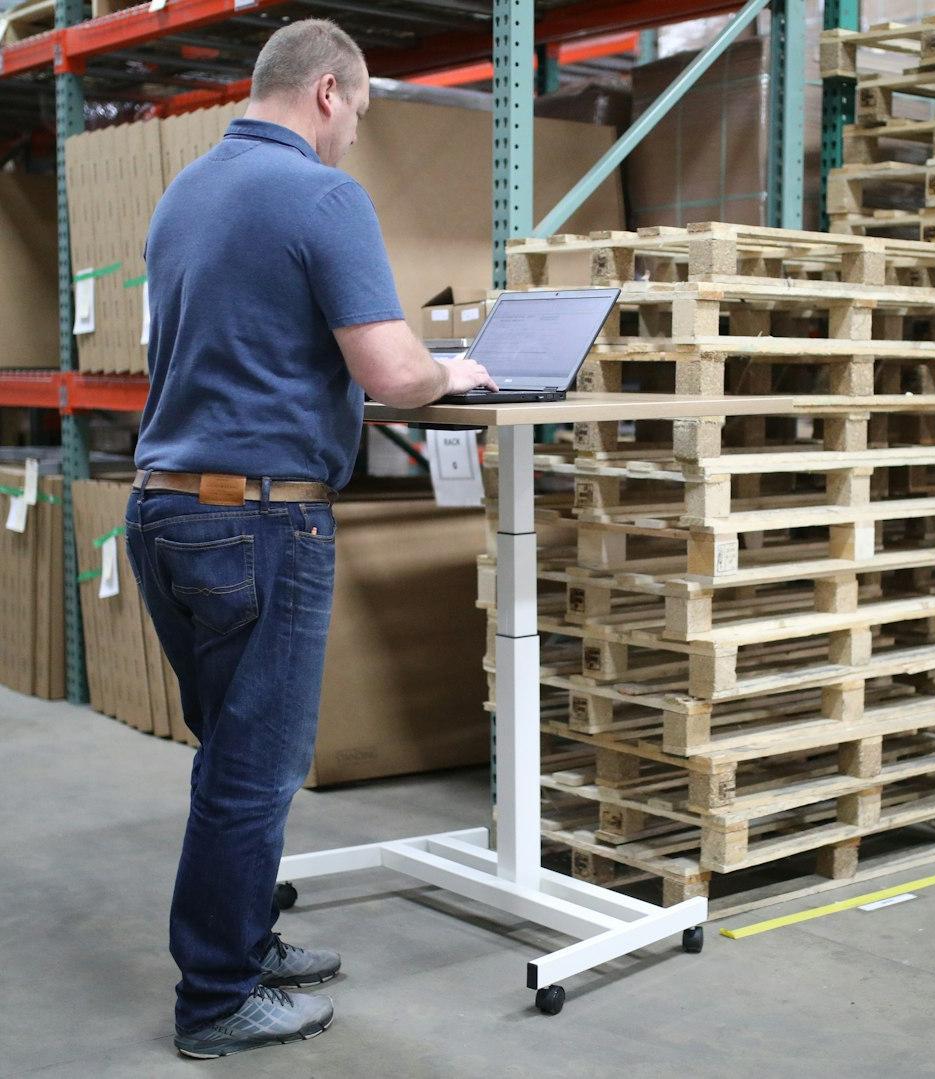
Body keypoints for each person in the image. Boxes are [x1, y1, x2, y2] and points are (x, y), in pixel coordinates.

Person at [124, 18, 496, 1060]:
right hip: (258, 516)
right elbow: (388, 372)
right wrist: (449, 372)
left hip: (165, 508)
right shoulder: (321, 194)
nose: (352, 140)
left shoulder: (185, 193)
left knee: (230, 757)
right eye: (359, 116)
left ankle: (242, 938)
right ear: (328, 92)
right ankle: (217, 998)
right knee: (256, 768)